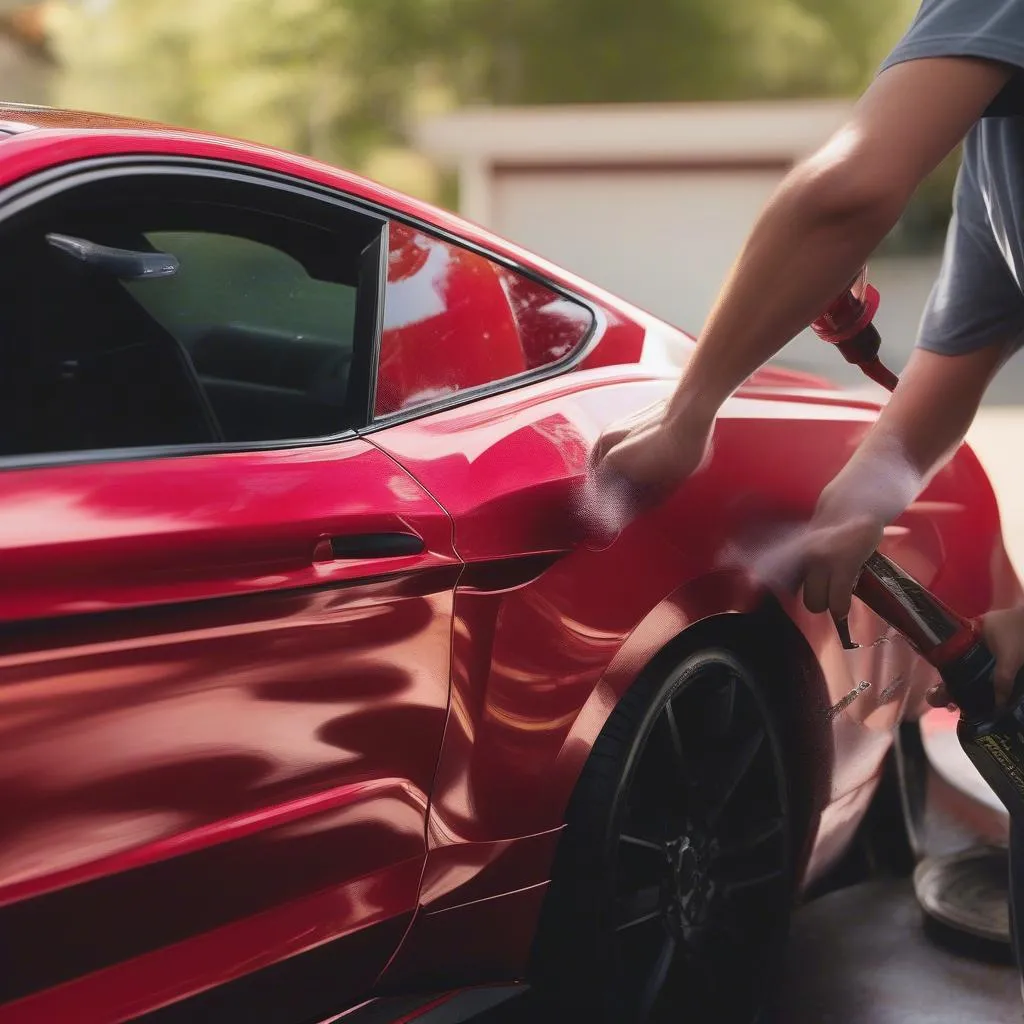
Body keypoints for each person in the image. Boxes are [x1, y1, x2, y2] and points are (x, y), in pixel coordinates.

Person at [592, 0, 1024, 992]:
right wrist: (853, 511)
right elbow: (939, 384)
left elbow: (847, 192)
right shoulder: (1000, 162)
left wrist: (688, 411)